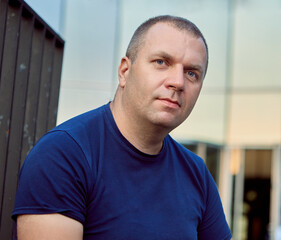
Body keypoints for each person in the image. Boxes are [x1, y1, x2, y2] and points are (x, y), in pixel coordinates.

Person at [12, 15, 232, 240]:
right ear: (125, 71)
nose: (178, 82)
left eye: (191, 73)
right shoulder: (63, 155)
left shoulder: (197, 174)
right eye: (161, 62)